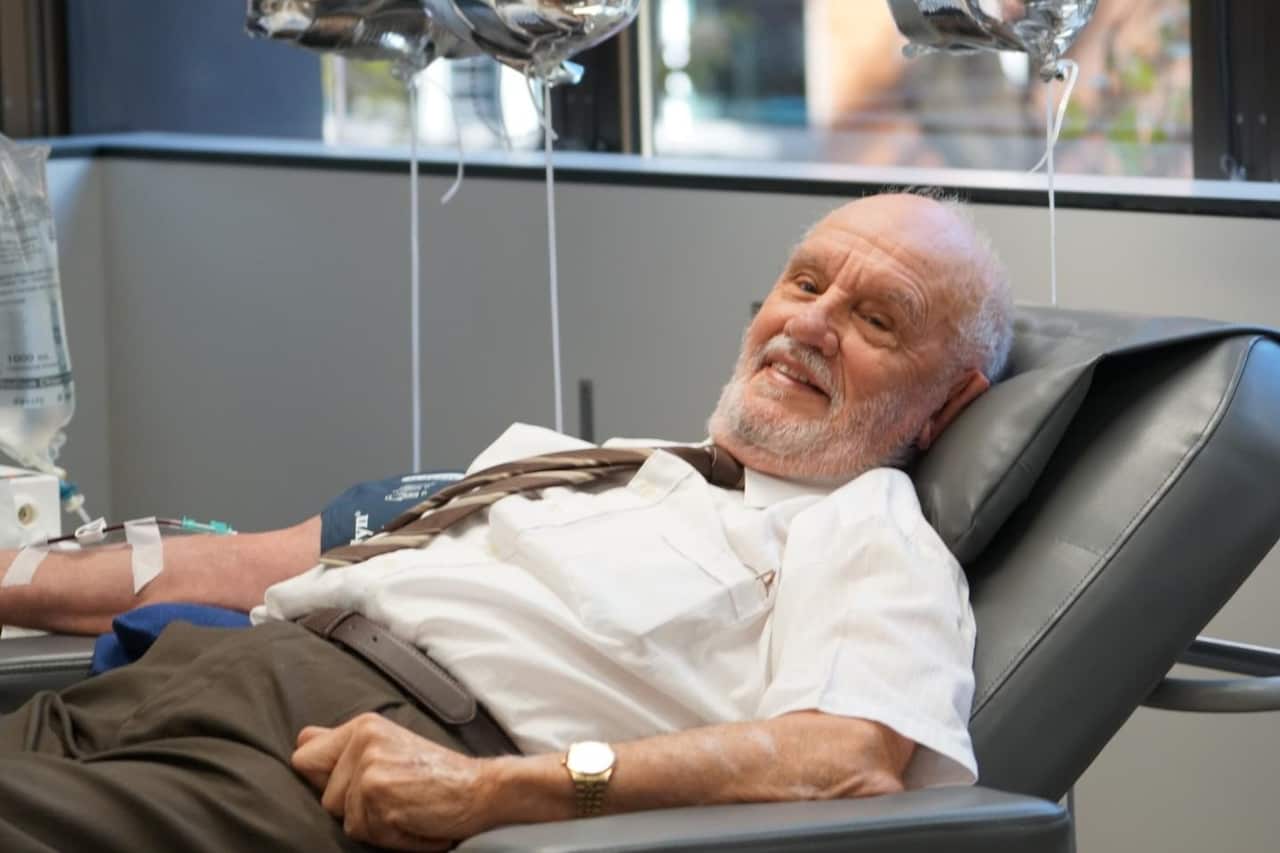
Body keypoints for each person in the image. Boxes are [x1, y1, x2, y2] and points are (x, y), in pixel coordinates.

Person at [0, 192, 1012, 852]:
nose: (807, 323)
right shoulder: (595, 463)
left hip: (336, 772)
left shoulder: (862, 527)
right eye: (803, 282)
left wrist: (499, 793)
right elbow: (252, 562)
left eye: (874, 319)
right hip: (186, 681)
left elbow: (842, 758)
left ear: (947, 401)